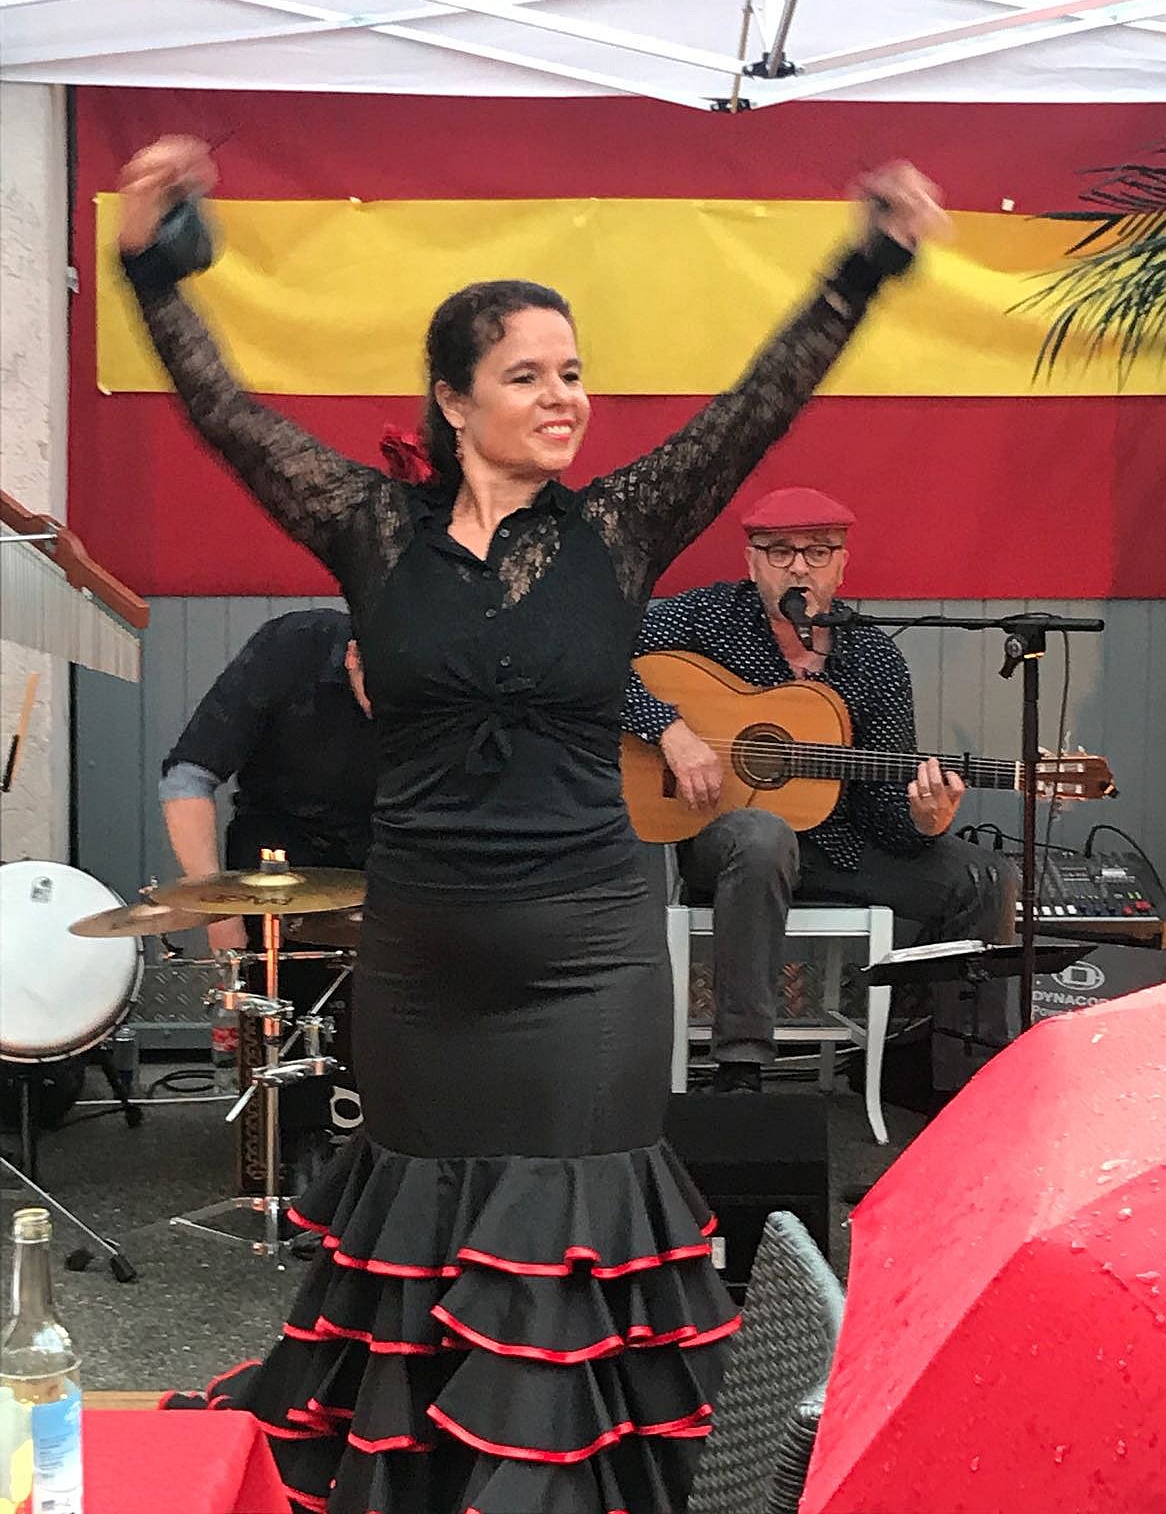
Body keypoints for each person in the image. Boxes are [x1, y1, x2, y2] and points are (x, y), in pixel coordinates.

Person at [116, 133, 945, 1514]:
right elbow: (227, 414)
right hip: (420, 968)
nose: (564, 397)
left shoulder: (621, 527)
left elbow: (760, 405)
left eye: (573, 372)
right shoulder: (370, 530)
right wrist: (152, 268)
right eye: (528, 375)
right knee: (423, 1231)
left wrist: (865, 263)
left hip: (587, 964)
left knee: (572, 1236)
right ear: (453, 400)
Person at [621, 485, 1020, 1099]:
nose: (799, 567)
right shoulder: (705, 618)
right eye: (780, 552)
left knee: (986, 879)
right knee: (763, 834)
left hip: (840, 847)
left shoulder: (873, 657)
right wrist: (670, 732)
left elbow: (886, 817)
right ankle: (741, 1069)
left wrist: (925, 819)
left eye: (818, 551)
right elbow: (589, 649)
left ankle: (962, 1086)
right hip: (728, 843)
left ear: (842, 564)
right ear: (752, 561)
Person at [160, 607, 375, 1185]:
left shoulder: (446, 667)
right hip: (279, 846)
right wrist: (216, 908)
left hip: (390, 837)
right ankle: (298, 1147)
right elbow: (189, 776)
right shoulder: (289, 647)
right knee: (285, 989)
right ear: (353, 657)